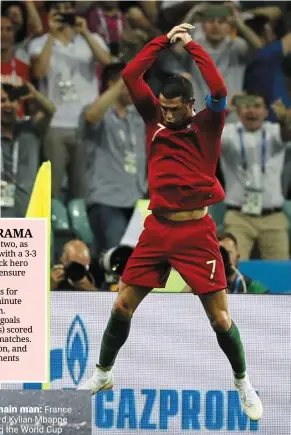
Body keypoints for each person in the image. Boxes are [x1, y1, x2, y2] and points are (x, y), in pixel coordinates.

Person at [78, 24, 263, 421]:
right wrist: (162, 41)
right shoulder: (154, 118)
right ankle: (103, 373)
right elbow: (130, 75)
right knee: (122, 305)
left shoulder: (207, 123)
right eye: (163, 106)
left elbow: (219, 89)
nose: (167, 112)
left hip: (197, 231)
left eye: (175, 108)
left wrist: (191, 46)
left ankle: (243, 381)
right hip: (157, 229)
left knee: (220, 318)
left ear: (190, 105)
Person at [28, 0, 111, 200]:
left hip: (86, 123)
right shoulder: (38, 43)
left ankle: (79, 230)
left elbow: (107, 62)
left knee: (82, 189)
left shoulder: (93, 39)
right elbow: (39, 72)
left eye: (67, 9)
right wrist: (51, 35)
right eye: (58, 9)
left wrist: (84, 33)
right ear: (49, 14)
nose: (63, 13)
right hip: (56, 124)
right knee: (53, 191)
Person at [81, 62, 147, 255]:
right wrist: (120, 84)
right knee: (119, 259)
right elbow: (90, 117)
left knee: (141, 261)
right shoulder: (100, 113)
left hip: (137, 199)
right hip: (107, 201)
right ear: (112, 84)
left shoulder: (138, 117)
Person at [221, 92, 291, 260]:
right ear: (238, 112)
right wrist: (223, 112)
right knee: (231, 266)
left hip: (273, 218)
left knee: (281, 274)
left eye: (257, 106)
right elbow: (206, 135)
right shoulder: (228, 133)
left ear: (266, 112)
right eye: (246, 106)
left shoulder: (274, 131)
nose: (251, 111)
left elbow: (286, 135)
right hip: (239, 218)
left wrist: (284, 120)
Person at [1, 81, 56, 218]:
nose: (8, 104)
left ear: (19, 105)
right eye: (2, 101)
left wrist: (35, 94)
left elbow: (51, 110)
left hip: (29, 213)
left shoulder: (31, 129)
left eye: (13, 100)